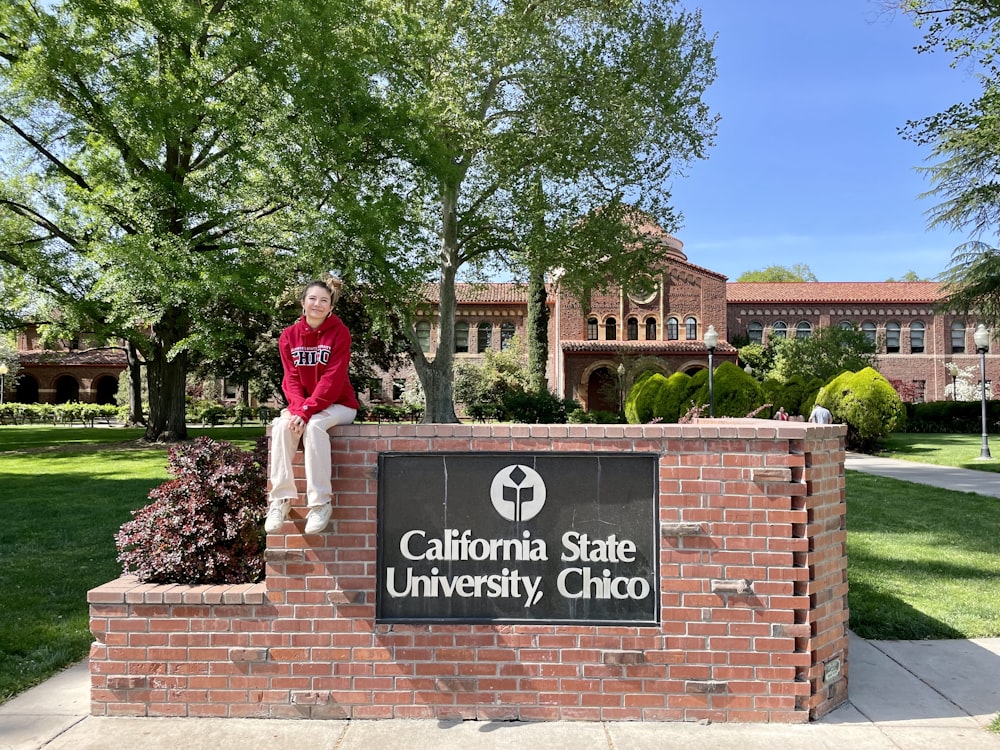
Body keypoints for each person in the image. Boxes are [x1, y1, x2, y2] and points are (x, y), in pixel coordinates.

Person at [265, 279, 359, 535]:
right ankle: (281, 500)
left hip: (339, 405)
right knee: (282, 425)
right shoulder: (288, 337)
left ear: (331, 307)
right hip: (303, 406)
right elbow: (291, 379)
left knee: (315, 426)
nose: (317, 304)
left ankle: (320, 503)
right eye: (312, 299)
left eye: (324, 301)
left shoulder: (340, 333)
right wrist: (297, 411)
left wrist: (306, 412)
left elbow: (332, 379)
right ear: (303, 303)